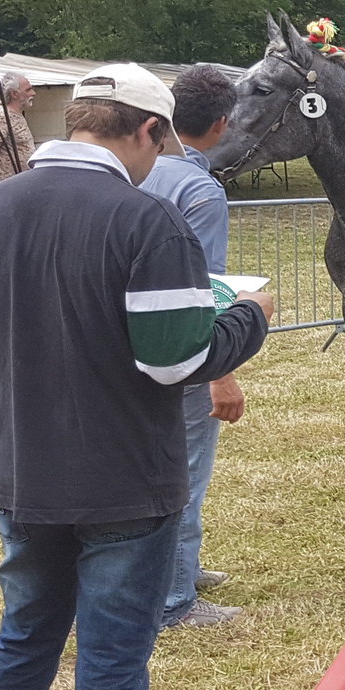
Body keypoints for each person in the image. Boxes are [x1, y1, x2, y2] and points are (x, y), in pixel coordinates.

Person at [0, 63, 271, 690]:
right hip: (125, 479)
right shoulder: (147, 221)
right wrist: (247, 320)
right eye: (154, 145)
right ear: (148, 132)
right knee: (112, 653)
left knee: (23, 634)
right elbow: (176, 359)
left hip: (22, 471)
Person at [140, 65, 248, 629]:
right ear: (222, 123)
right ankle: (176, 597)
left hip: (130, 349)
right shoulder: (197, 188)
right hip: (184, 356)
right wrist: (220, 371)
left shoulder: (132, 171)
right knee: (183, 472)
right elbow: (204, 287)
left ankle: (181, 565)